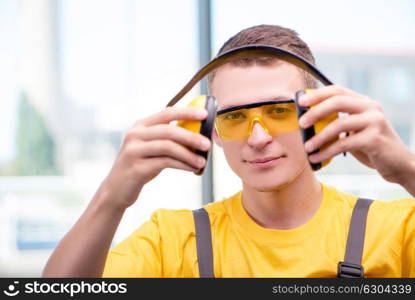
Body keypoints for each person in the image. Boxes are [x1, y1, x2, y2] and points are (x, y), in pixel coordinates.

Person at [42, 24, 415, 278]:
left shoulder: (395, 230)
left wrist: (405, 169)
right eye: (235, 117)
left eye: (279, 111)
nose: (257, 137)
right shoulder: (172, 240)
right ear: (212, 130)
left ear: (316, 116)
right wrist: (111, 197)